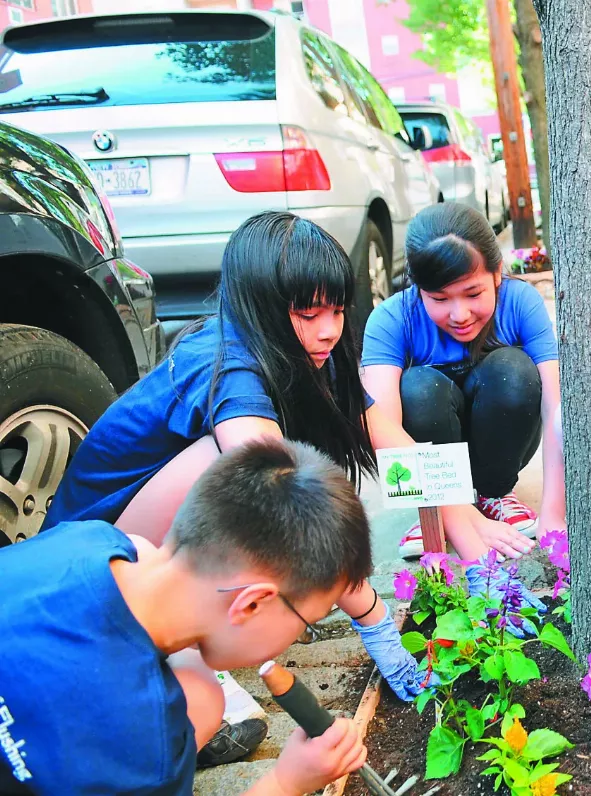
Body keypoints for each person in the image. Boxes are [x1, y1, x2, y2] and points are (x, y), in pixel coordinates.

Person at [41, 212, 432, 764]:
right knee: (251, 466)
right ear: (260, 306)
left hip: (156, 547)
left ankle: (194, 638)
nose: (328, 330)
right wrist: (371, 615)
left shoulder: (314, 354)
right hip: (103, 554)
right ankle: (171, 637)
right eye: (307, 311)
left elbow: (387, 437)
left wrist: (463, 523)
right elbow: (281, 498)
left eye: (338, 310)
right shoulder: (229, 366)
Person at [0, 438, 378, 795]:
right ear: (251, 604)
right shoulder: (149, 745)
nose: (295, 638)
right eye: (304, 623)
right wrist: (287, 781)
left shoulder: (88, 539)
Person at [362, 202, 565, 560]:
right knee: (418, 389)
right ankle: (436, 510)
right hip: (435, 461)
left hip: (501, 443)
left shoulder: (520, 303)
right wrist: (446, 509)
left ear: (497, 273)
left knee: (512, 371)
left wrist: (554, 512)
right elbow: (385, 431)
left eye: (473, 294)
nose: (459, 315)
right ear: (418, 287)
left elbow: (556, 408)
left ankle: (495, 494)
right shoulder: (391, 319)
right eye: (439, 299)